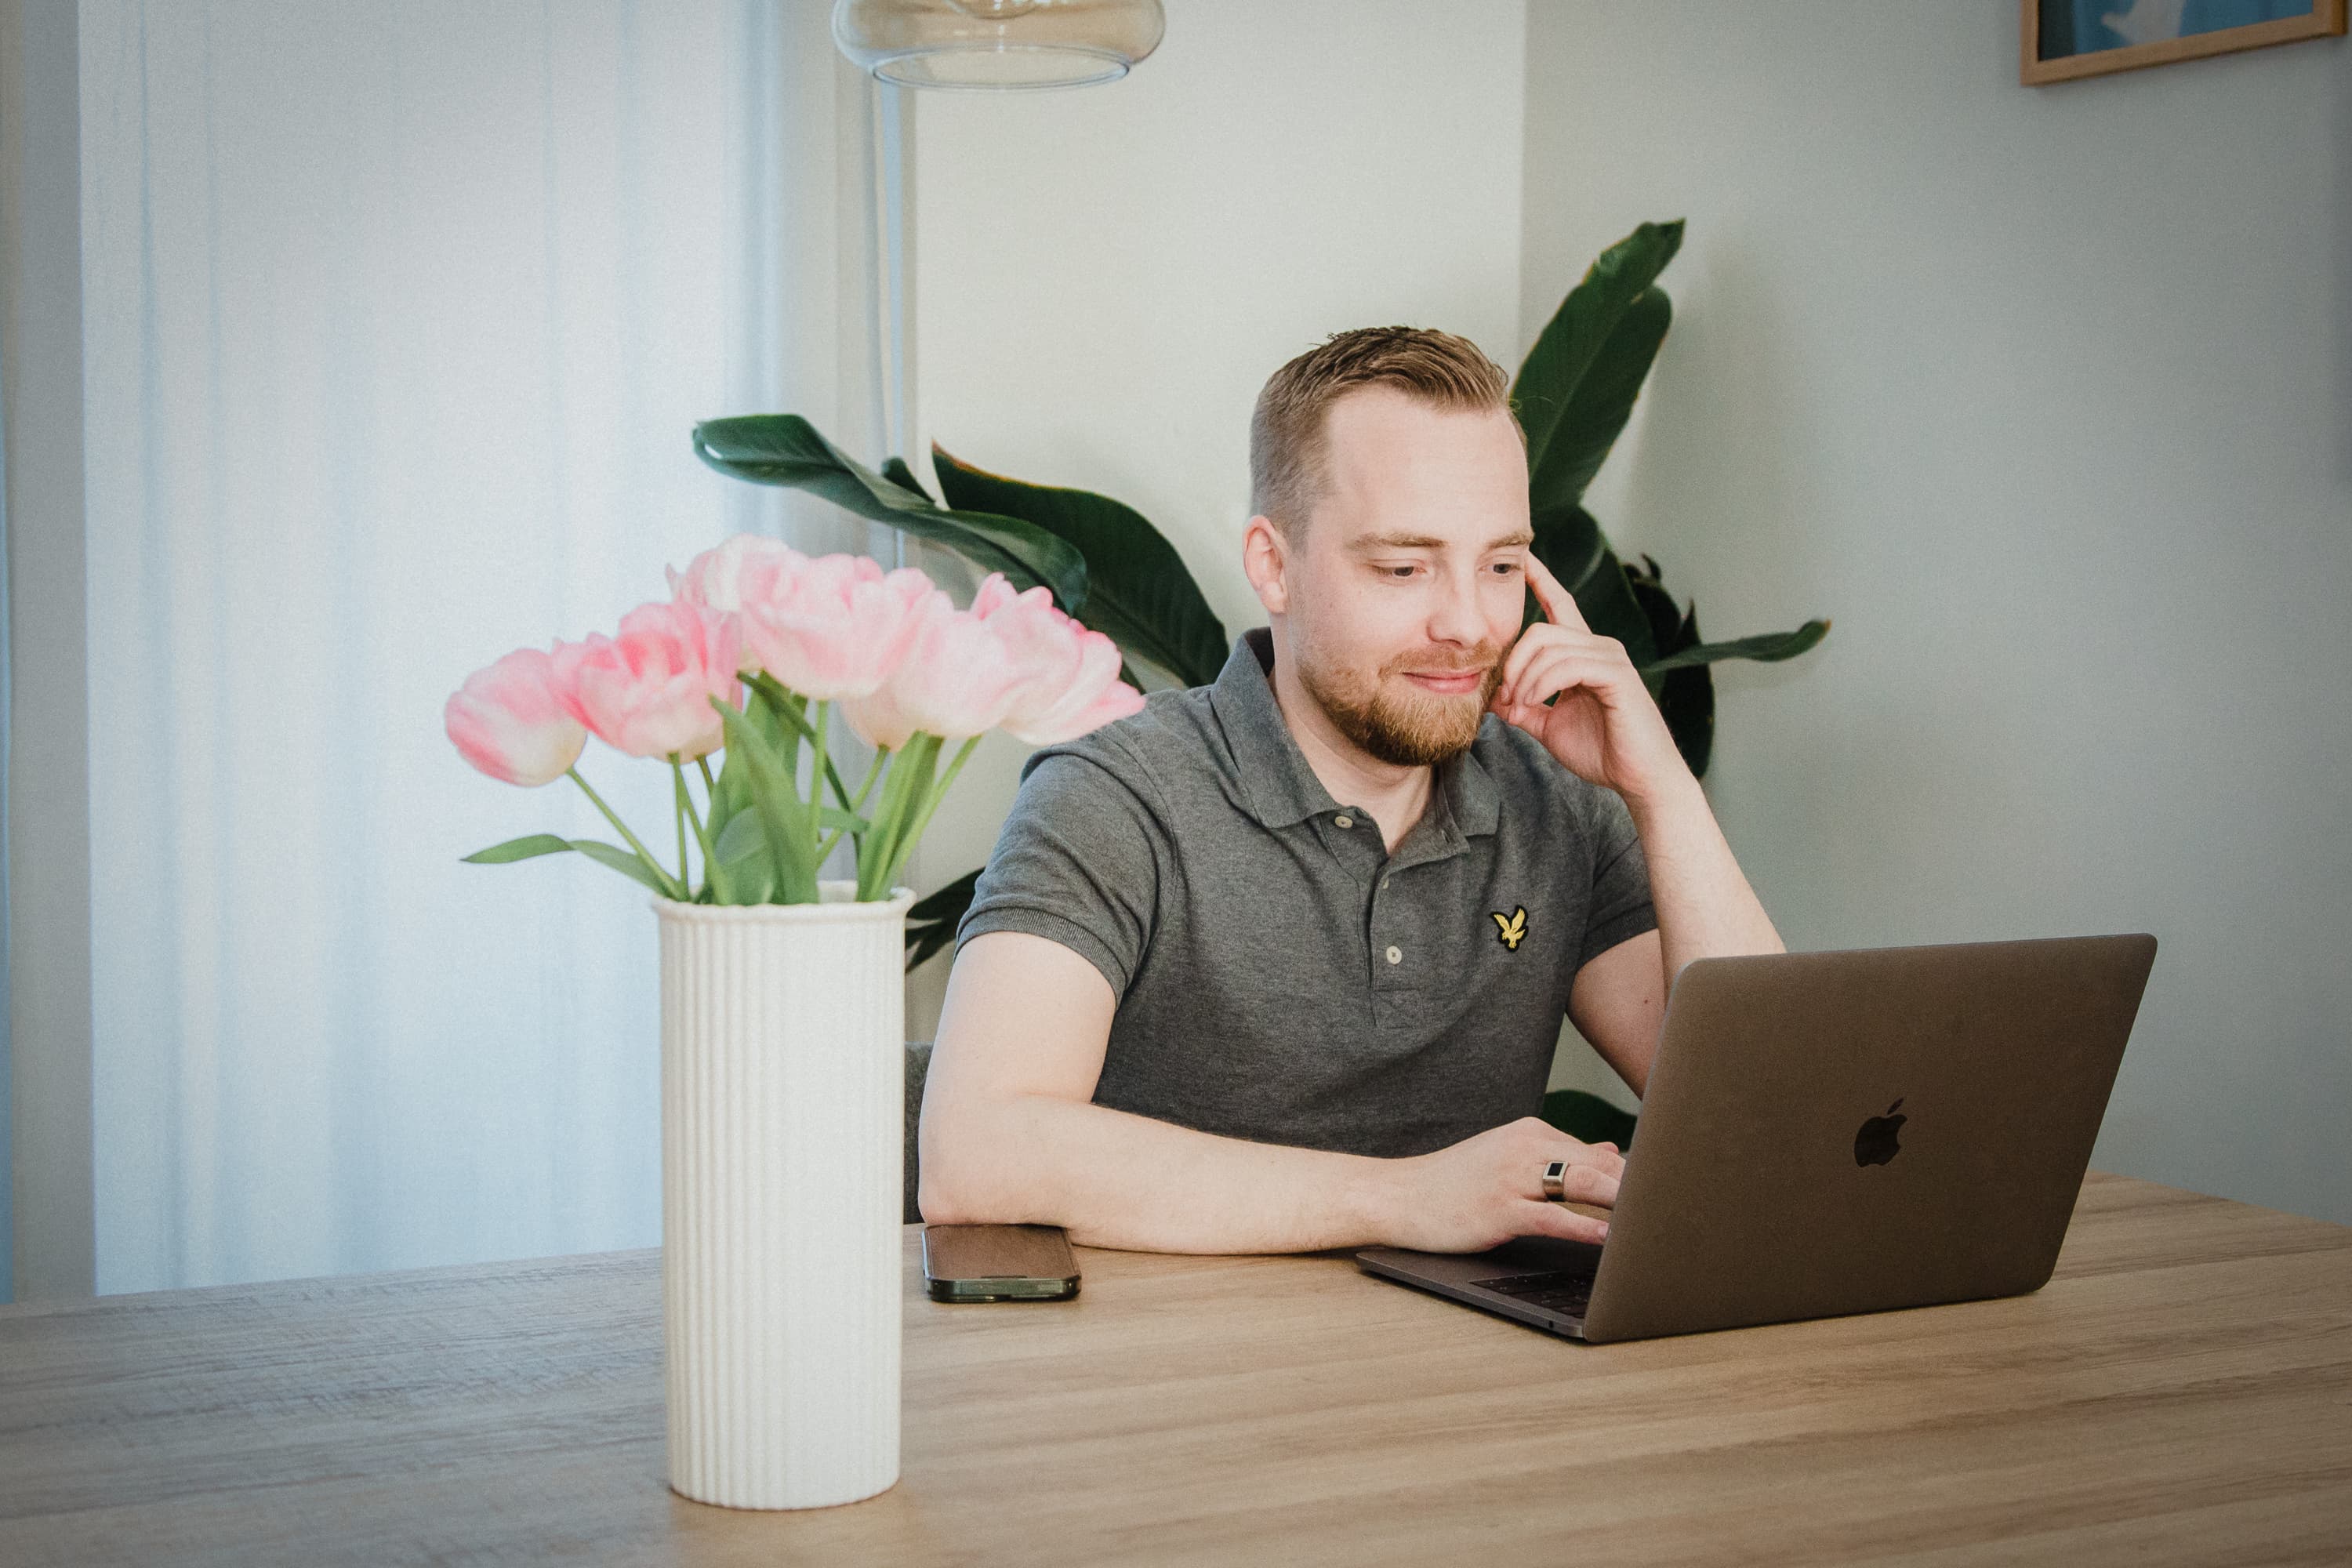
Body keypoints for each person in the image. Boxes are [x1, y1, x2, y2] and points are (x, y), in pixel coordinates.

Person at [917, 326, 1783, 1254]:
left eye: (1500, 565)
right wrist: (1407, 1197)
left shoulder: (1556, 799)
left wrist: (1661, 786)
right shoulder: (1117, 792)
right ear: (1274, 565)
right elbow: (975, 1152)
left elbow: (1767, 1126)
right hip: (1182, 1343)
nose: (1469, 624)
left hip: (1471, 1346)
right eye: (1405, 567)